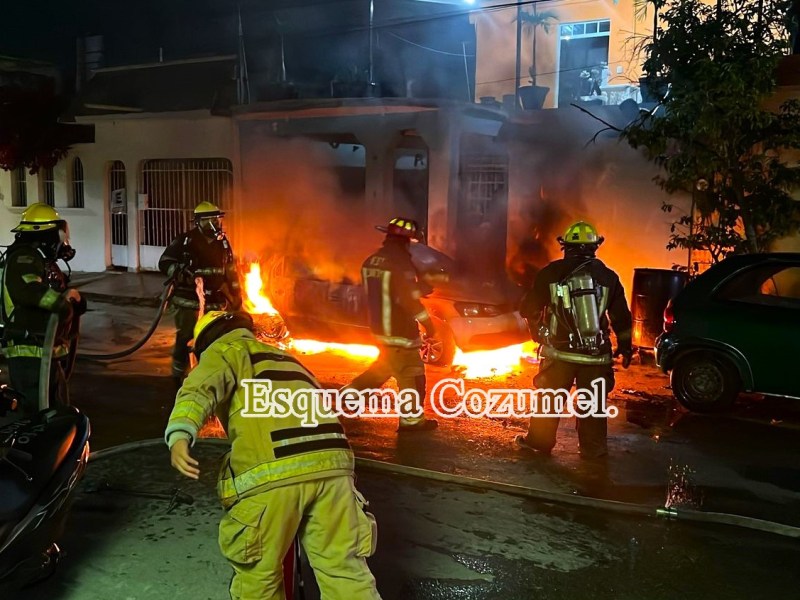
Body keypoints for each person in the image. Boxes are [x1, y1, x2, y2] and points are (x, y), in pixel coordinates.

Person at [165, 310, 381, 600]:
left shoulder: (224, 350)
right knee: (344, 570)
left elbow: (199, 389)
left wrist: (180, 433)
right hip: (335, 472)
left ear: (205, 343)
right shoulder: (288, 358)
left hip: (273, 474)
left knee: (259, 574)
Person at [516, 221, 632, 459]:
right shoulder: (609, 277)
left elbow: (528, 308)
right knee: (592, 405)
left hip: (560, 355)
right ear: (594, 247)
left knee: (549, 400)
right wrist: (625, 347)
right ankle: (593, 449)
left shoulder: (551, 273)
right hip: (596, 357)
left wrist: (538, 333)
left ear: (566, 246)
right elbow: (621, 317)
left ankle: (539, 443)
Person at [341, 217, 439, 432]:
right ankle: (411, 422)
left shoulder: (371, 261)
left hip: (379, 330)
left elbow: (389, 291)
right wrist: (428, 324)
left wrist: (416, 287)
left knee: (383, 369)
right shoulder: (400, 263)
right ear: (406, 241)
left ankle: (347, 397)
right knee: (412, 375)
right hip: (400, 331)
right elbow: (406, 298)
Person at [0, 203, 84, 415]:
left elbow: (55, 291)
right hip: (29, 355)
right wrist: (62, 306)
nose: (61, 242)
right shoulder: (24, 258)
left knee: (56, 413)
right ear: (47, 235)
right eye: (59, 236)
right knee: (39, 416)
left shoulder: (39, 260)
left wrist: (75, 302)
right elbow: (30, 291)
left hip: (44, 353)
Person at [158, 201, 242, 383]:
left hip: (214, 301)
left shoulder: (223, 243)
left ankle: (207, 375)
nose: (215, 223)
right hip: (188, 301)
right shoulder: (185, 241)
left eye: (217, 219)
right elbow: (164, 262)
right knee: (186, 336)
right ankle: (178, 375)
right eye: (209, 220)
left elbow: (231, 270)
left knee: (213, 338)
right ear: (199, 222)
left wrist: (236, 294)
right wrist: (180, 272)